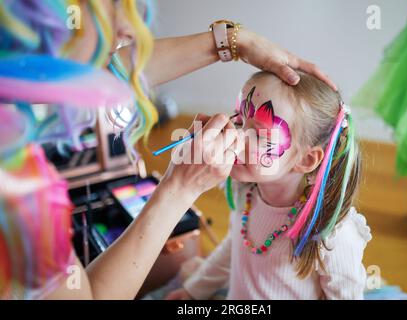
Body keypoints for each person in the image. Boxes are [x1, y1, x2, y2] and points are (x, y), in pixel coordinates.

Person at [0, 0, 336, 300]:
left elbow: (104, 71)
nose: (128, 28)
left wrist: (235, 40)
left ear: (307, 159)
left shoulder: (332, 239)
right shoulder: (15, 188)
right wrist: (179, 188)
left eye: (260, 132)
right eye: (109, 3)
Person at [166, 71, 371, 300]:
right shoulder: (247, 192)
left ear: (305, 159)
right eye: (239, 120)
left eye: (259, 134)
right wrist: (194, 290)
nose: (238, 136)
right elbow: (235, 249)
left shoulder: (331, 234)